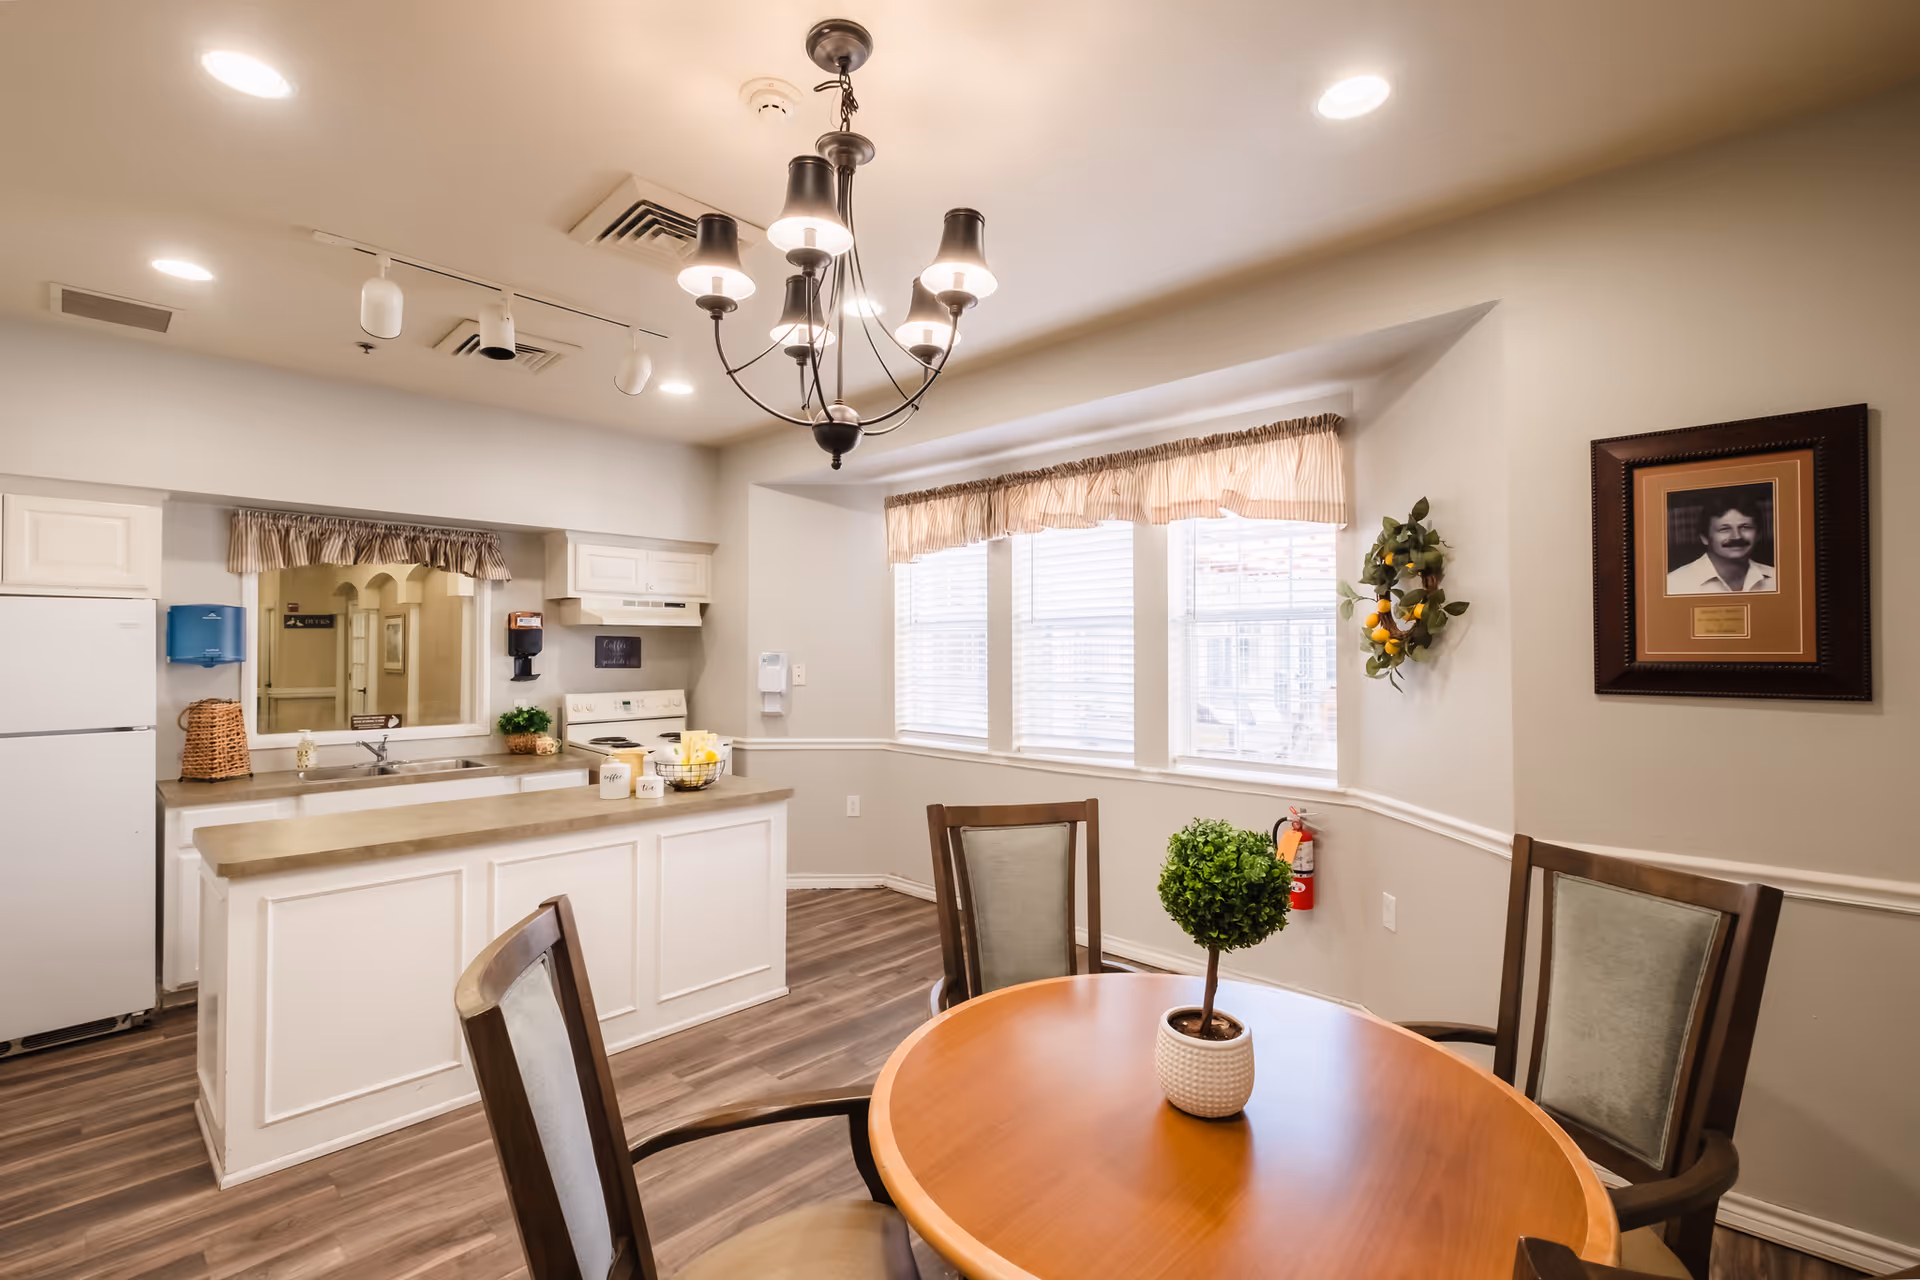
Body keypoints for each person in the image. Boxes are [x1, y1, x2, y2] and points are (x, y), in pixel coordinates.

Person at [1666, 488, 1775, 594]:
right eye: (1724, 529)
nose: (1736, 536)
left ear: (1758, 534)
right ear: (1705, 538)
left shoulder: (1777, 579)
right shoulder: (1673, 584)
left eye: (1745, 527)